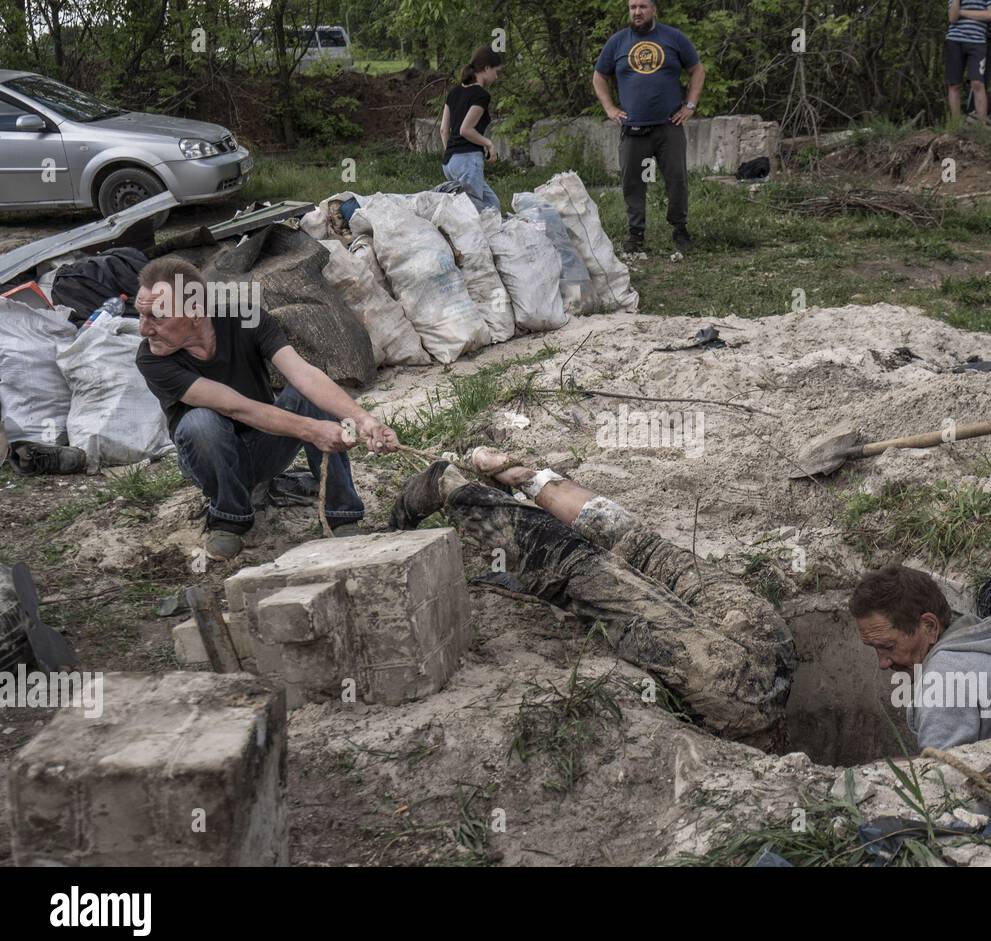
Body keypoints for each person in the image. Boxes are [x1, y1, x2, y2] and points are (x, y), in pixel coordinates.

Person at [389, 447, 794, 748]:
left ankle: (531, 480)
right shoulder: (738, 712)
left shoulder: (780, 659)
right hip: (731, 689)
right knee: (584, 573)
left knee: (644, 549)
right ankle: (451, 488)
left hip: (768, 642)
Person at [133, 256, 399, 561]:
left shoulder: (245, 318)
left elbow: (303, 373)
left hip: (265, 444)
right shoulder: (152, 359)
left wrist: (363, 420)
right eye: (140, 315)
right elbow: (236, 407)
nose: (144, 329)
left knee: (307, 394)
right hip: (209, 458)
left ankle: (342, 513)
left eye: (156, 317)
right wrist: (314, 431)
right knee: (199, 423)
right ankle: (229, 518)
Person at [851, 565, 991, 750]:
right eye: (875, 648)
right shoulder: (980, 647)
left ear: (929, 626)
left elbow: (942, 776)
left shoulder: (944, 677)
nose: (883, 663)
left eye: (888, 647)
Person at [593, 0, 705, 256]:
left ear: (654, 9)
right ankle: (636, 233)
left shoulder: (673, 37)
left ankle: (680, 228)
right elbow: (599, 75)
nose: (637, 12)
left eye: (642, 6)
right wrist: (609, 108)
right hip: (633, 128)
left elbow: (697, 70)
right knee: (633, 182)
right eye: (632, 7)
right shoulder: (618, 42)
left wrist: (690, 105)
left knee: (677, 179)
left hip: (669, 126)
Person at [441, 46, 504, 211]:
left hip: (449, 162)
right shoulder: (481, 95)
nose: (496, 77)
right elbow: (466, 130)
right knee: (474, 213)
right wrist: (488, 144)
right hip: (468, 160)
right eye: (496, 71)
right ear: (487, 68)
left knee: (493, 206)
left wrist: (452, 152)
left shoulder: (454, 92)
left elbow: (443, 130)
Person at [946, 0, 991, 123]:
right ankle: (956, 125)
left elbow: (990, 15)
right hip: (954, 40)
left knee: (977, 83)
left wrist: (961, 12)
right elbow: (953, 18)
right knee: (954, 84)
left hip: (978, 42)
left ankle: (981, 127)